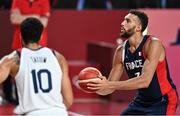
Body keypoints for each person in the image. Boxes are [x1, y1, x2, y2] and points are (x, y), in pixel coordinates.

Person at [86, 10, 178, 115]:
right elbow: (108, 88)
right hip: (141, 101)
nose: (122, 23)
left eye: (127, 21)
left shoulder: (152, 44)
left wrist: (109, 84)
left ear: (138, 27)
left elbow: (145, 81)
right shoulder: (121, 51)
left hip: (163, 101)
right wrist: (95, 86)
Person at [0, 17, 73, 115]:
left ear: (20, 36)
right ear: (41, 36)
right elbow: (68, 100)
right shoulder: (58, 58)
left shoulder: (12, 59)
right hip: (59, 112)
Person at [2, 0, 50, 105]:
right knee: (13, 69)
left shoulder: (44, 1)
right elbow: (14, 19)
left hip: (39, 45)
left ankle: (36, 98)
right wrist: (36, 17)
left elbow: (44, 22)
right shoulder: (17, 0)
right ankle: (10, 96)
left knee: (34, 72)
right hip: (19, 44)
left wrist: (23, 17)